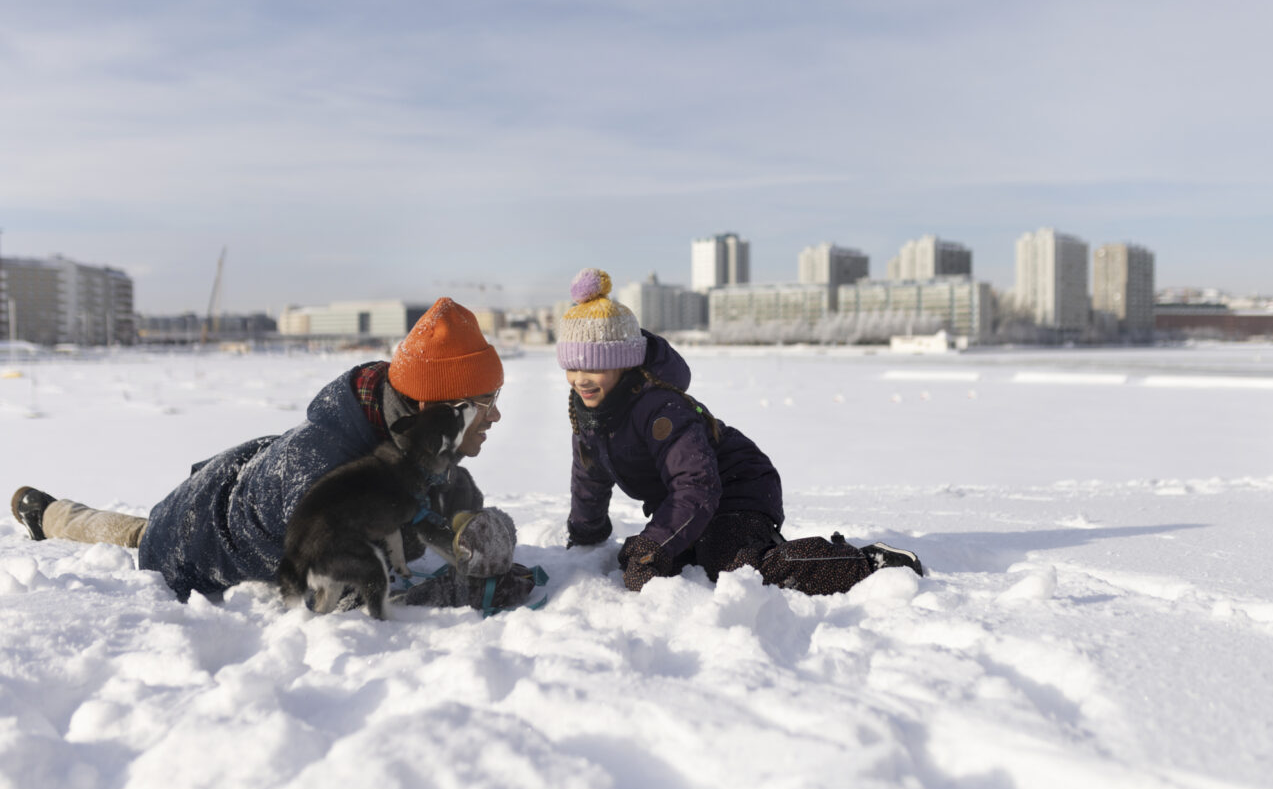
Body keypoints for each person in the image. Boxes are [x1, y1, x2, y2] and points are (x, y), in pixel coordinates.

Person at [10, 297, 531, 610]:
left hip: (250, 476)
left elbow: (441, 494)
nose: (496, 416)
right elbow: (343, 598)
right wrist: (461, 591)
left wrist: (471, 530)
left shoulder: (406, 417)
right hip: (197, 532)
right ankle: (51, 516)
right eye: (485, 403)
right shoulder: (327, 473)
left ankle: (49, 511)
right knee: (143, 534)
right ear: (436, 405)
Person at [557, 268, 924, 594]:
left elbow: (696, 485)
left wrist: (653, 543)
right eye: (572, 368)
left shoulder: (661, 410)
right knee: (648, 568)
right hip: (691, 503)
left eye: (596, 367)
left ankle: (864, 562)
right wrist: (587, 534)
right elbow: (588, 477)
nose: (581, 379)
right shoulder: (589, 416)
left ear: (625, 364)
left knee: (735, 569)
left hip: (738, 489)